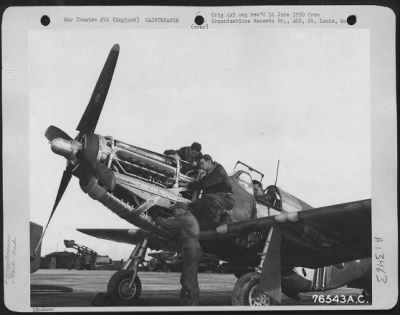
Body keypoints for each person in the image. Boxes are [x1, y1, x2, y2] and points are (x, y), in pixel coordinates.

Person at [156, 207, 202, 306]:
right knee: (187, 277)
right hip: (189, 248)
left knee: (189, 278)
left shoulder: (187, 218)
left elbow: (168, 224)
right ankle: (186, 302)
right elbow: (173, 227)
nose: (174, 212)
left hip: (191, 248)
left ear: (182, 209)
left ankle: (192, 304)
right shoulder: (186, 218)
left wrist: (156, 217)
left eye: (175, 210)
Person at [187, 154, 235, 229]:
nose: (201, 166)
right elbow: (203, 182)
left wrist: (188, 185)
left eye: (202, 163)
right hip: (218, 198)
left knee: (204, 200)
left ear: (209, 162)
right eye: (200, 164)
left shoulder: (219, 170)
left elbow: (204, 184)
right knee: (200, 205)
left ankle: (224, 215)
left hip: (226, 198)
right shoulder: (210, 171)